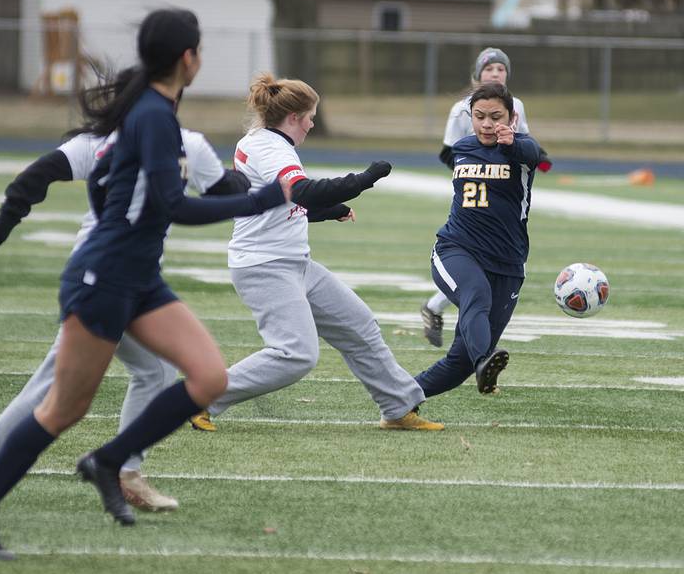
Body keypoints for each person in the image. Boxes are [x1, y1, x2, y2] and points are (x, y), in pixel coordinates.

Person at [0, 8, 290, 561]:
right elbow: (170, 205)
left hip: (140, 279)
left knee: (208, 376)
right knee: (62, 408)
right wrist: (262, 199)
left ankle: (109, 462)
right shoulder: (152, 115)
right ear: (188, 58)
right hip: (104, 278)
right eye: (199, 50)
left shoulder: (157, 116)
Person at [0, 111, 249, 512]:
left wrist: (4, 222)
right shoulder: (172, 142)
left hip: (125, 280)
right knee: (57, 387)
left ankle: (125, 472)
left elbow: (39, 174)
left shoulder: (110, 139)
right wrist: (254, 179)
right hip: (103, 278)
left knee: (153, 370)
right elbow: (226, 189)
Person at [189, 73, 444, 433]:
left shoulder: (265, 142)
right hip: (265, 265)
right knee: (296, 354)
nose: (311, 123)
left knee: (359, 324)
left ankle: (398, 407)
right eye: (309, 116)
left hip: (293, 262)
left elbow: (280, 202)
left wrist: (330, 211)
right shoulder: (270, 147)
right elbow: (303, 190)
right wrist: (364, 179)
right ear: (293, 117)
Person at [413, 82, 541, 399]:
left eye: (496, 116)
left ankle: (401, 394)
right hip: (456, 249)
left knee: (461, 363)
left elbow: (528, 152)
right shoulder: (463, 149)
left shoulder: (525, 150)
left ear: (512, 118)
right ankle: (486, 358)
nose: (487, 124)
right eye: (479, 116)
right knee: (476, 294)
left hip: (508, 263)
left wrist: (511, 143)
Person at [422, 47, 551, 348]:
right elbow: (449, 151)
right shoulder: (460, 109)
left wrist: (535, 159)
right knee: (472, 264)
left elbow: (527, 143)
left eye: (501, 69)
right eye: (489, 69)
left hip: (507, 188)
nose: (495, 74)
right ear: (477, 75)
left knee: (484, 267)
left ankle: (456, 330)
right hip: (473, 192)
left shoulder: (516, 104)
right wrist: (475, 171)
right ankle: (438, 310)